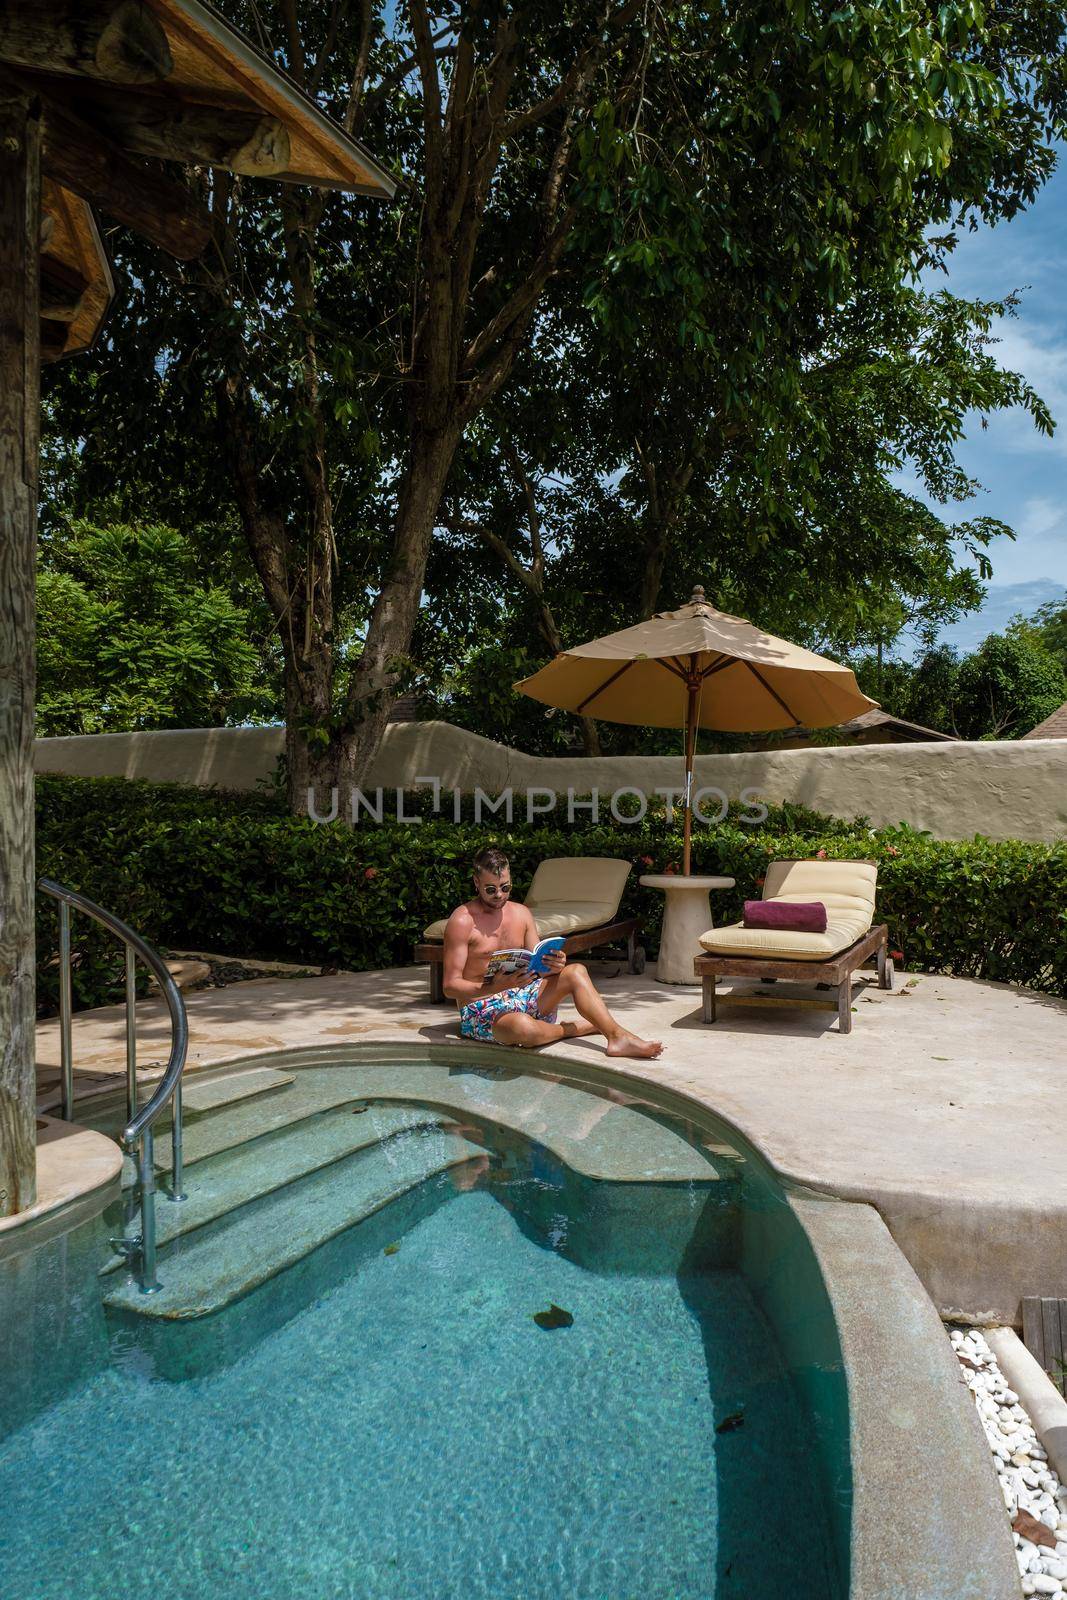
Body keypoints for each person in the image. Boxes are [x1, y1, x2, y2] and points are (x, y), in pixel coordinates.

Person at [441, 846, 663, 1059]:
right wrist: (494, 987)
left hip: (523, 996)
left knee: (575, 971)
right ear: (476, 882)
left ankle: (617, 1037)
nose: (499, 894)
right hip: (483, 1007)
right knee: (523, 1029)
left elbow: (536, 966)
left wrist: (554, 965)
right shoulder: (462, 921)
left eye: (505, 887)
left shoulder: (522, 913)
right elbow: (450, 987)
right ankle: (569, 1029)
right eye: (491, 889)